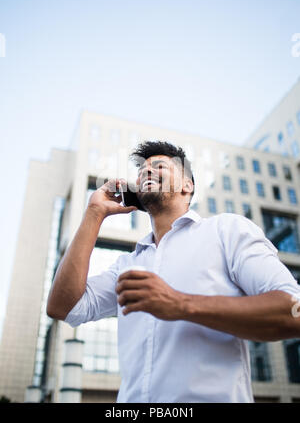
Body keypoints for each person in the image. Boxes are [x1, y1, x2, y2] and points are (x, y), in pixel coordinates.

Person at [47, 140, 300, 403]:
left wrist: (180, 304)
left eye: (159, 166)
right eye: (142, 170)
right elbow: (63, 307)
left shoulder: (226, 232)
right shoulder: (127, 265)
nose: (146, 172)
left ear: (187, 185)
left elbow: (294, 310)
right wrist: (94, 212)